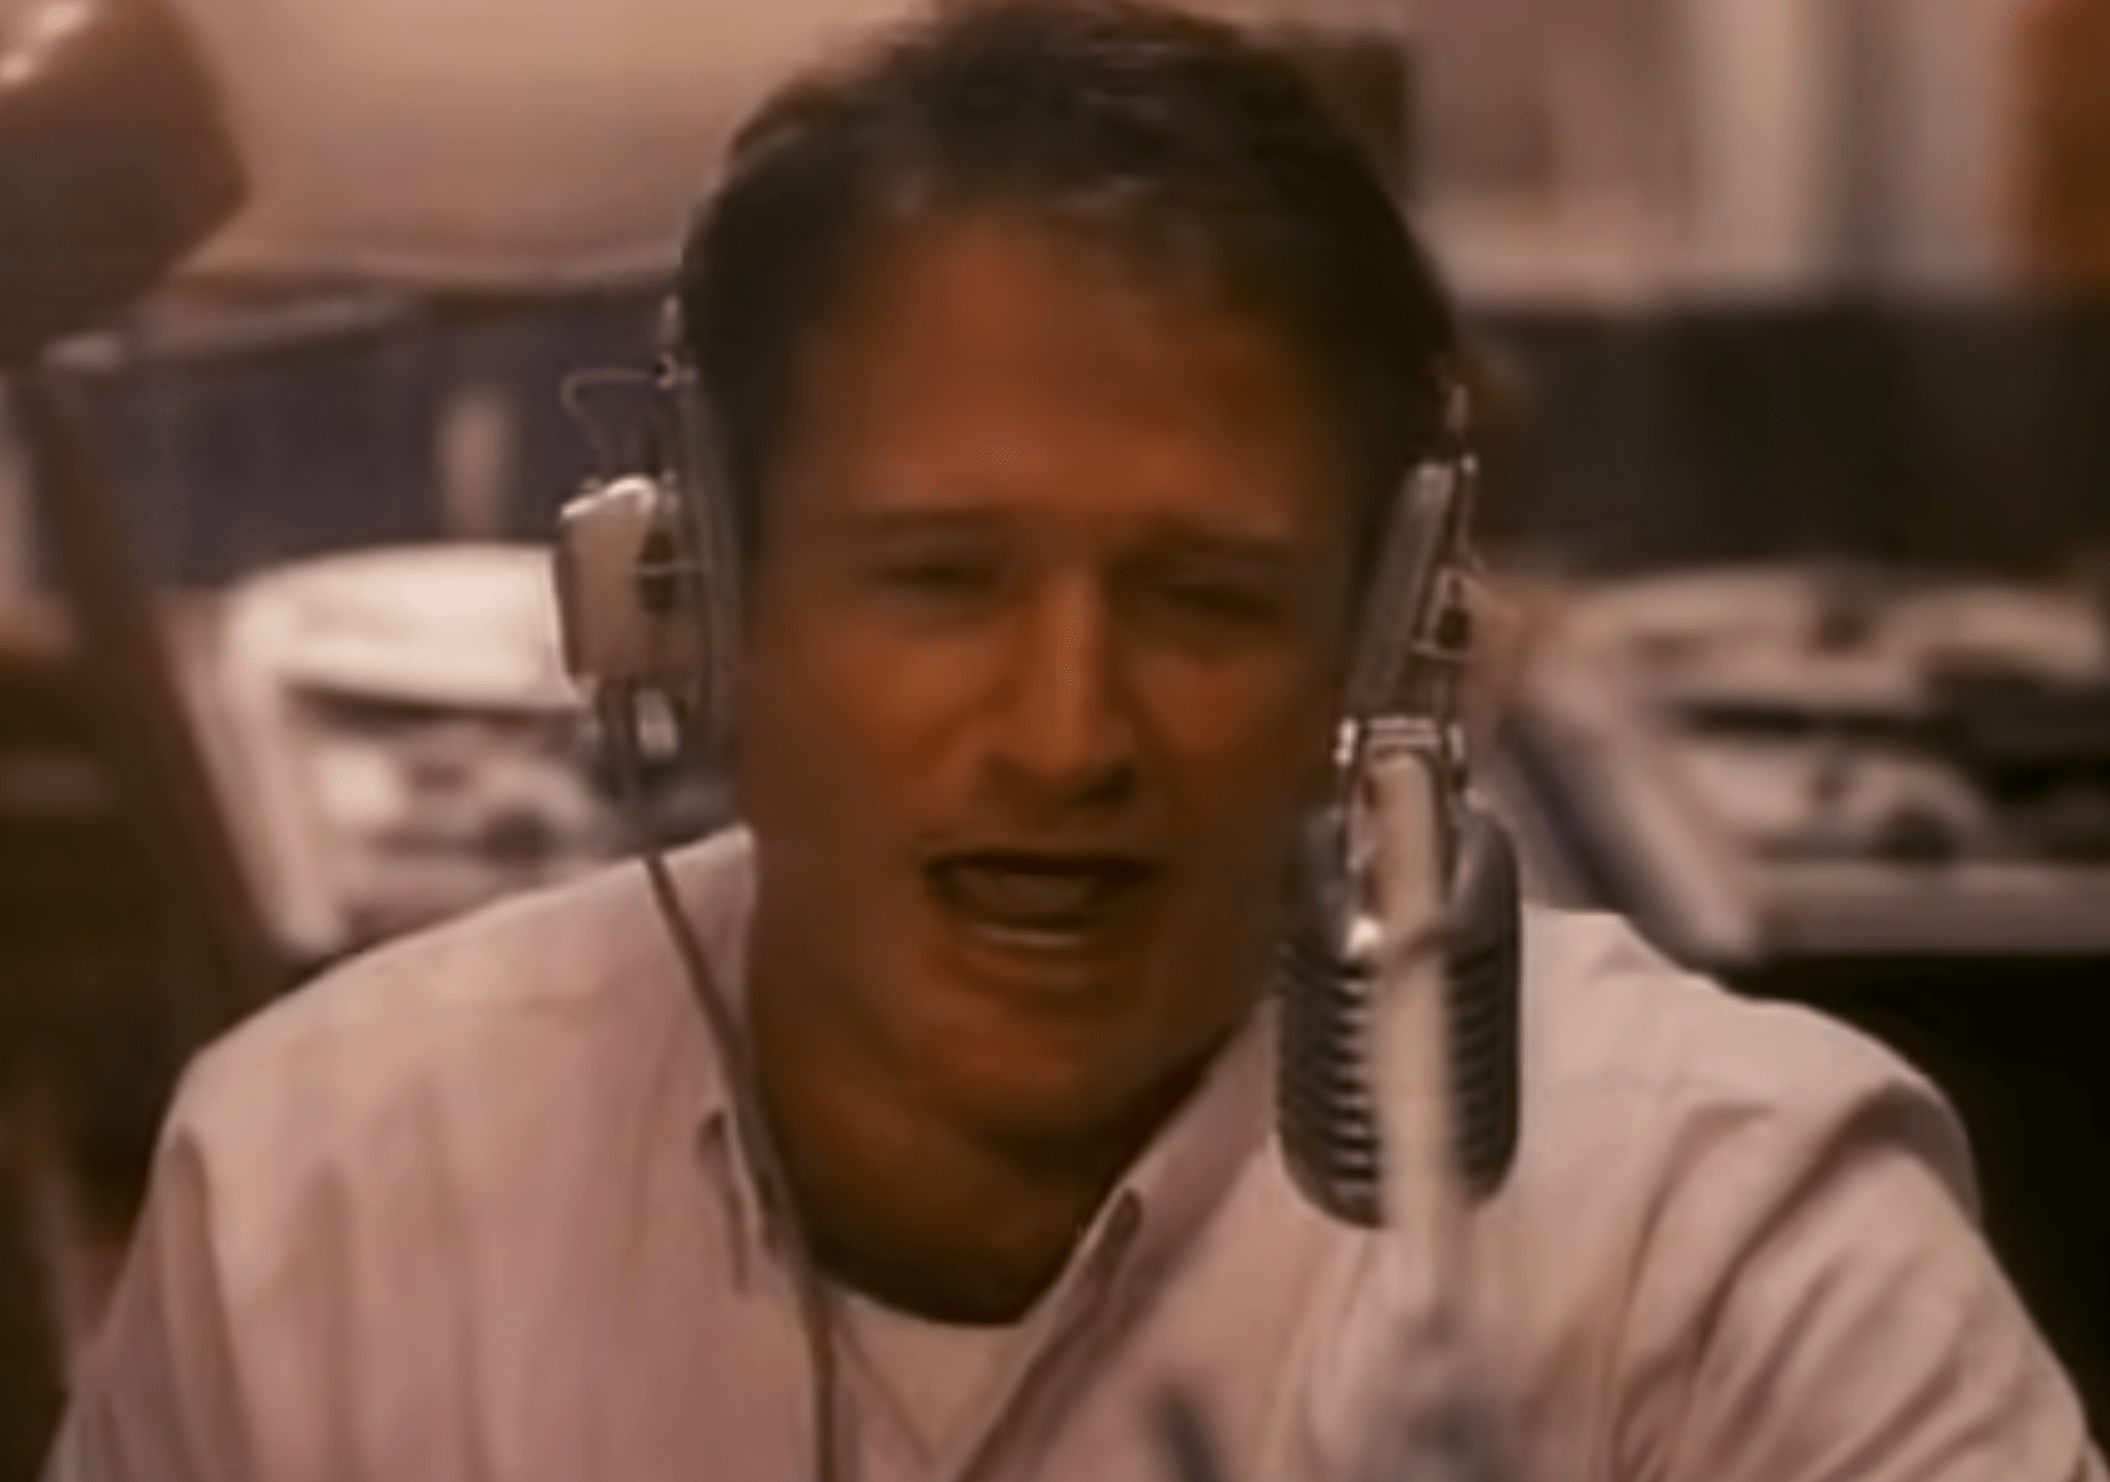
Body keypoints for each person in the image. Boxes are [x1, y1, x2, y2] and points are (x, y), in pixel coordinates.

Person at [42, 2, 2106, 1478]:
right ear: (694, 600)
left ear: (1389, 630)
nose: (1064, 738)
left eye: (1203, 594)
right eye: (938, 577)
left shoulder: (1718, 1246)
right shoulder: (318, 1212)